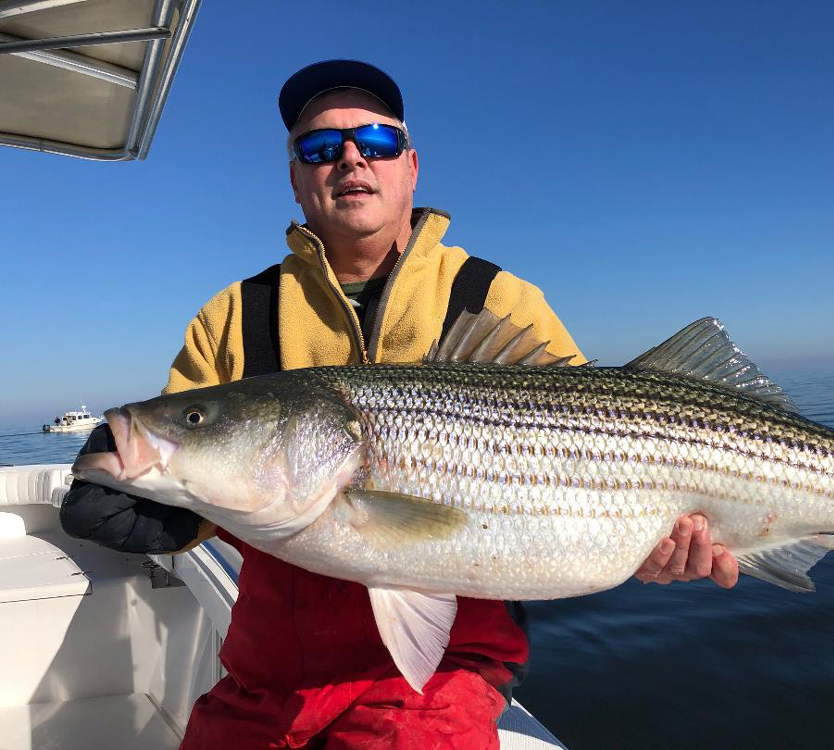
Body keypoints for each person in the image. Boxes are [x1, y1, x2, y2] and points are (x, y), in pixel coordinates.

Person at [61, 60, 739, 749]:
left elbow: (597, 456)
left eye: (377, 142)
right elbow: (200, 470)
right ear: (295, 179)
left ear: (411, 167)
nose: (350, 159)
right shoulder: (234, 316)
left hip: (447, 673)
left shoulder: (496, 298)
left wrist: (648, 546)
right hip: (270, 672)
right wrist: (150, 496)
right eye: (319, 148)